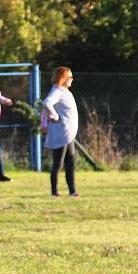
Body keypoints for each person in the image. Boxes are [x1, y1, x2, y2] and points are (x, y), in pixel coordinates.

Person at [42, 67, 79, 197]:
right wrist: (55, 116)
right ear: (63, 78)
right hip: (61, 133)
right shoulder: (57, 91)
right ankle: (54, 192)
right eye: (70, 77)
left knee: (70, 162)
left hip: (68, 134)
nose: (72, 80)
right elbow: (47, 103)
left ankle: (72, 191)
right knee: (58, 163)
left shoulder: (65, 91)